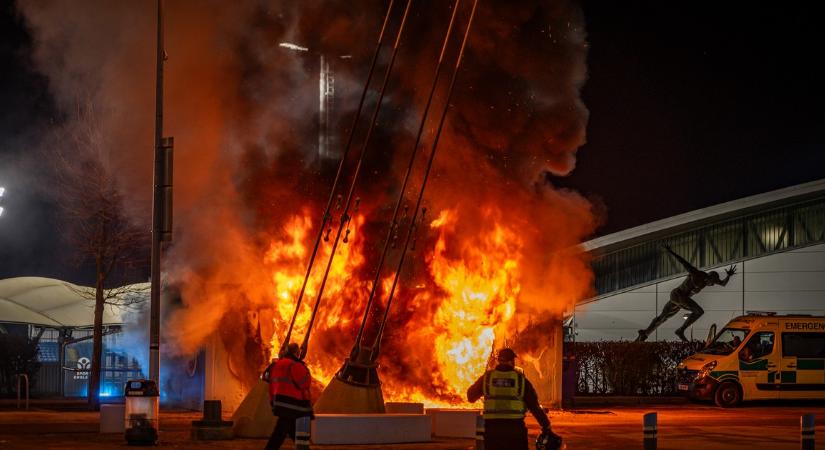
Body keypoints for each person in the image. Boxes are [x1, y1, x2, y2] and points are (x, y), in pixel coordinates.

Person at [467, 347, 562, 450]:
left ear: (499, 361)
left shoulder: (487, 378)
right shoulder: (520, 379)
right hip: (515, 430)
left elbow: (470, 396)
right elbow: (534, 406)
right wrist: (545, 425)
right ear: (511, 361)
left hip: (492, 430)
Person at [637, 245, 736, 342]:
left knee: (663, 317)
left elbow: (722, 283)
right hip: (678, 295)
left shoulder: (708, 281)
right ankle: (680, 330)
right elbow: (684, 262)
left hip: (680, 300)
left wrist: (729, 276)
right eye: (712, 283)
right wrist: (671, 252)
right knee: (699, 311)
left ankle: (644, 334)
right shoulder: (697, 274)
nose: (712, 285)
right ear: (710, 278)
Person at [265, 342, 313, 450]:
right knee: (280, 433)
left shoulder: (277, 365)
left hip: (280, 402)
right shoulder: (294, 365)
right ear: (296, 352)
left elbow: (271, 385)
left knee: (291, 430)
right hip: (292, 404)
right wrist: (305, 369)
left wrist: (272, 401)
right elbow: (304, 383)